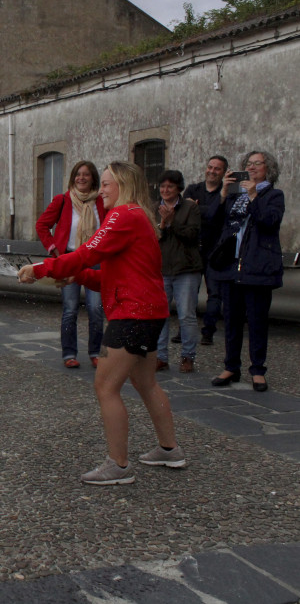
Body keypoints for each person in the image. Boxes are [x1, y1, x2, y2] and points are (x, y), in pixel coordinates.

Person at [19, 161, 184, 485]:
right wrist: (74, 276)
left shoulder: (123, 215)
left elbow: (85, 252)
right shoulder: (140, 218)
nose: (101, 189)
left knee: (105, 386)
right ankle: (170, 449)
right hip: (149, 312)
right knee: (146, 383)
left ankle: (118, 466)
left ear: (123, 185)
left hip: (131, 315)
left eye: (107, 184)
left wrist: (42, 268)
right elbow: (108, 275)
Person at [208, 151, 284, 393]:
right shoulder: (233, 196)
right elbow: (211, 221)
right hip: (231, 266)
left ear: (267, 169)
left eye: (256, 164)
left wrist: (253, 194)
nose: (251, 168)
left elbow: (268, 221)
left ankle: (258, 369)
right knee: (231, 320)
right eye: (248, 164)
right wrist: (222, 194)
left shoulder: (274, 195)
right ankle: (231, 366)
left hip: (257, 266)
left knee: (257, 321)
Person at [35, 161, 107, 369]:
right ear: (73, 178)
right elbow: (42, 225)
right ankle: (69, 353)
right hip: (68, 259)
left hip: (94, 261)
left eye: (86, 174)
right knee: (70, 309)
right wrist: (52, 247)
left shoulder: (101, 202)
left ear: (93, 178)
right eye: (78, 174)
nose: (81, 178)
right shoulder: (63, 200)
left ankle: (95, 352)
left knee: (95, 308)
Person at [155, 170, 203, 373]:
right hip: (162, 268)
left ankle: (187, 356)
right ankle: (160, 356)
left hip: (186, 268)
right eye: (163, 186)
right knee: (160, 314)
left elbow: (192, 234)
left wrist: (172, 221)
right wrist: (163, 224)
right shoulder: (155, 207)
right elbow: (153, 237)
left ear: (178, 189)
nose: (165, 190)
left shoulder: (190, 207)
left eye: (170, 187)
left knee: (186, 316)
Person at [184, 156, 228, 345]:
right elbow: (185, 211)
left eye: (217, 169)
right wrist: (212, 208)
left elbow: (216, 215)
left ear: (224, 173)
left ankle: (208, 332)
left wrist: (198, 208)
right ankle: (186, 332)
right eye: (210, 167)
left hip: (216, 250)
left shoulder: (227, 192)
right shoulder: (193, 189)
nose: (212, 171)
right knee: (189, 293)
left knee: (214, 294)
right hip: (193, 248)